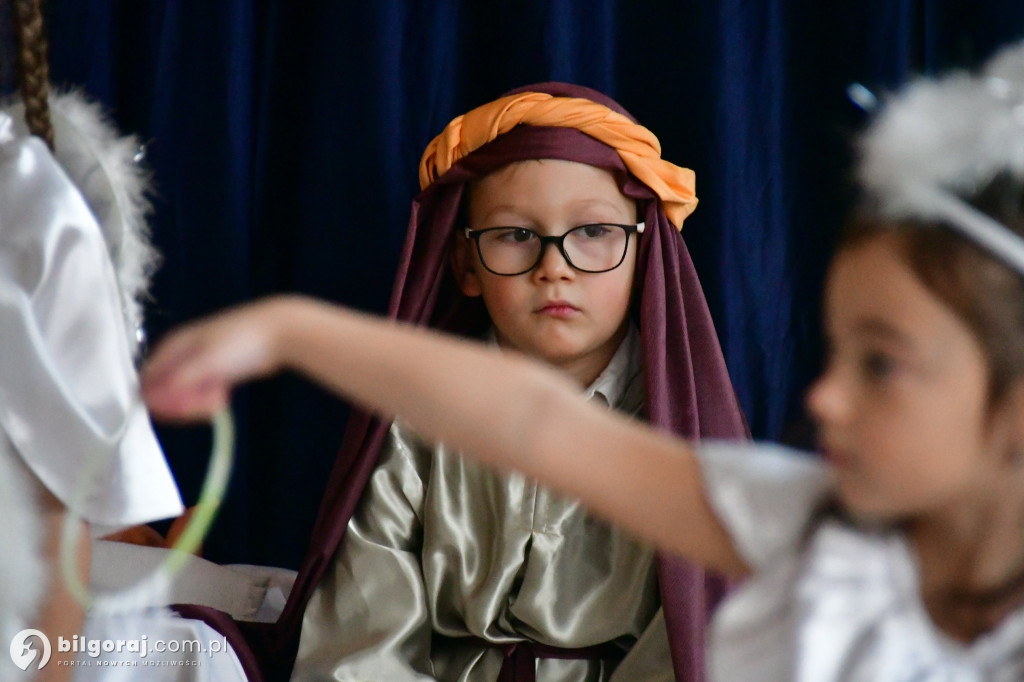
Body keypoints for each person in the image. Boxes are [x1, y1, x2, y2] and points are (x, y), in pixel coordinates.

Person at [143, 40, 1024, 681]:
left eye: (882, 364)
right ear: (466, 260)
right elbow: (530, 419)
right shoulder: (800, 523)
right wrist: (292, 331)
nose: (823, 397)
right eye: (836, 353)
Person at [237, 83, 746, 681]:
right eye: (515, 235)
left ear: (644, 255)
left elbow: (694, 641)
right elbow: (364, 632)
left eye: (593, 232)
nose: (554, 266)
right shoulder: (419, 415)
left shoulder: (678, 437)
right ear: (465, 265)